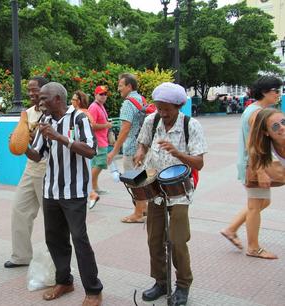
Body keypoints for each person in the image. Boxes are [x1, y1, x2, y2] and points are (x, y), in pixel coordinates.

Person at [26, 82, 103, 306]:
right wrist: (21, 144)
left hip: (75, 191)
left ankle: (93, 289)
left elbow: (90, 150)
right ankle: (65, 281)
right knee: (55, 239)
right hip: (51, 190)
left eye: (43, 99)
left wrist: (60, 137)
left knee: (79, 240)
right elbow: (37, 155)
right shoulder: (45, 121)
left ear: (58, 99)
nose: (39, 103)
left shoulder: (79, 118)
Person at [134, 82, 208, 305]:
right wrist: (139, 154)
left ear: (178, 106)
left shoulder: (191, 125)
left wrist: (177, 152)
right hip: (155, 184)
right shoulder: (152, 119)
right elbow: (143, 144)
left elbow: (199, 163)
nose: (163, 113)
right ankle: (161, 281)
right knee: (154, 239)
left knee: (177, 240)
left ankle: (183, 285)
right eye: (159, 108)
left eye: (168, 109)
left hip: (179, 189)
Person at [220, 76, 282, 259]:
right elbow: (253, 143)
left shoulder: (255, 110)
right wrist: (261, 172)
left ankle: (231, 229)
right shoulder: (256, 113)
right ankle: (253, 247)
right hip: (254, 164)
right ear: (265, 92)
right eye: (275, 91)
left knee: (263, 202)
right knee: (255, 206)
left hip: (253, 163)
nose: (278, 94)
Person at [4, 76, 49, 269]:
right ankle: (21, 256)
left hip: (48, 168)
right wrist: (17, 138)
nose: (31, 93)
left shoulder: (54, 112)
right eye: (29, 90)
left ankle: (55, 259)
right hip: (31, 167)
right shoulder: (28, 113)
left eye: (35, 89)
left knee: (52, 217)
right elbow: (23, 139)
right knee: (19, 210)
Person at [107, 73, 147, 223]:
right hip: (143, 147)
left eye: (120, 86)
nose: (119, 89)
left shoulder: (128, 103)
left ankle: (138, 213)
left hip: (131, 148)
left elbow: (125, 128)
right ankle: (144, 208)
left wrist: (114, 150)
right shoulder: (141, 99)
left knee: (134, 181)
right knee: (141, 179)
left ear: (129, 86)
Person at [87, 85, 112, 209]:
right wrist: (106, 125)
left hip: (102, 140)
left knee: (98, 164)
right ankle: (88, 189)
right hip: (98, 141)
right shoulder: (93, 107)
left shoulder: (100, 106)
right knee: (99, 164)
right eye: (101, 94)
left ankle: (94, 187)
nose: (103, 96)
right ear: (95, 95)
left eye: (105, 94)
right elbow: (91, 125)